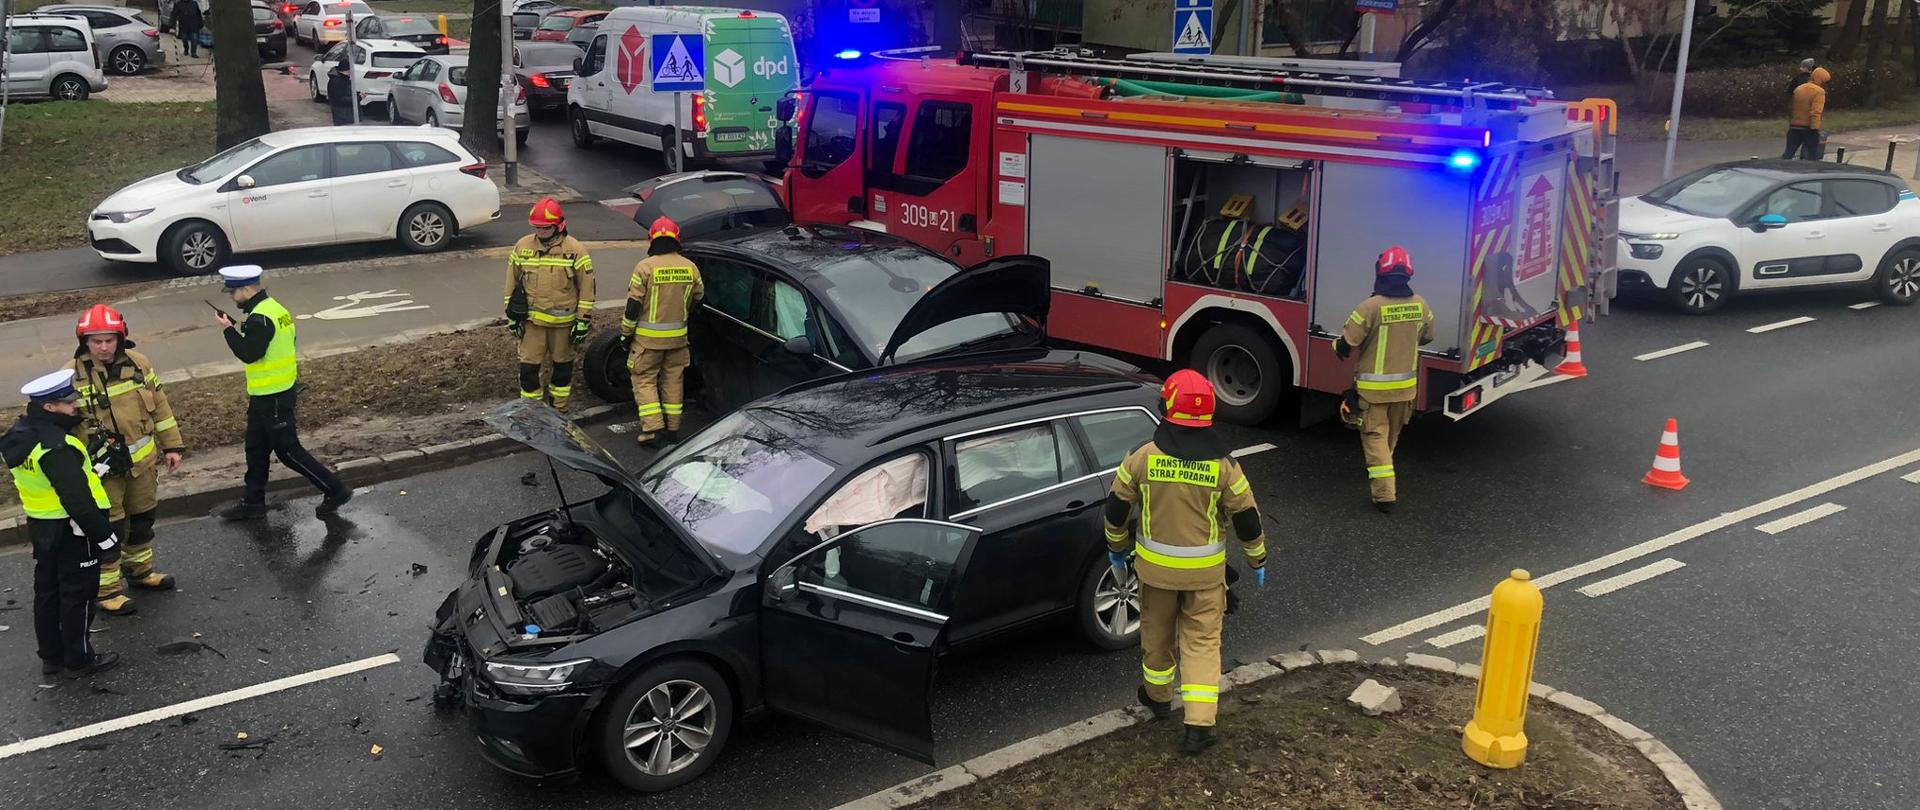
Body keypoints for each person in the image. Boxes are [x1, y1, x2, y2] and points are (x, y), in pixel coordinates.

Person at [1102, 370, 1267, 755]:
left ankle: (1158, 700)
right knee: (1203, 645)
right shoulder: (1225, 466)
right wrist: (1258, 558)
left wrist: (1116, 547)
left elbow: (1115, 510)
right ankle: (1199, 725)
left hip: (1155, 574)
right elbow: (1247, 518)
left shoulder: (1142, 457)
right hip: (1206, 579)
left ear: (1166, 408)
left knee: (1156, 637)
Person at [1, 370, 123, 678]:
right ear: (50, 407)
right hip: (74, 529)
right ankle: (80, 660)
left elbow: (50, 482)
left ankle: (51, 656)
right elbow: (77, 499)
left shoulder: (21, 435)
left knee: (48, 592)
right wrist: (105, 539)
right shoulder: (57, 446)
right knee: (78, 595)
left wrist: (88, 470)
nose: (75, 406)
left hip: (42, 526)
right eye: (68, 403)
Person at [66, 305, 184, 617]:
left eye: (108, 340)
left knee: (143, 521)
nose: (103, 347)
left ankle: (140, 573)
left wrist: (173, 446)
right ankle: (106, 591)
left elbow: (159, 407)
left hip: (142, 467)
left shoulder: (140, 364)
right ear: (84, 342)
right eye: (95, 341)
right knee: (109, 529)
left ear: (120, 338)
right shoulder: (70, 379)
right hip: (102, 474)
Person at [210, 265, 351, 521]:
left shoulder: (259, 318)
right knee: (255, 448)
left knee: (288, 451)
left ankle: (335, 489)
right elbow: (271, 341)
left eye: (233, 292)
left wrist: (228, 330)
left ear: (247, 289)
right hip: (269, 393)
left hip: (273, 396)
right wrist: (238, 326)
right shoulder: (275, 309)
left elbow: (249, 353)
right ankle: (253, 502)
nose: (232, 296)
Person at [1335, 246, 1435, 513]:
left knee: (1374, 436)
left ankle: (1384, 495)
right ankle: (1381, 474)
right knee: (1391, 435)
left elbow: (1347, 344)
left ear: (1380, 272)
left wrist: (1337, 348)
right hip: (1406, 389)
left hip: (1373, 391)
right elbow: (1428, 336)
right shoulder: (1421, 305)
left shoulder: (1370, 307)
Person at [619, 217, 704, 447]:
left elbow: (633, 306)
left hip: (647, 342)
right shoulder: (690, 267)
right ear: (677, 239)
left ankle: (652, 430)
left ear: (652, 240)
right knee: (673, 381)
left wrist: (626, 334)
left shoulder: (645, 267)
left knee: (644, 381)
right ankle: (673, 429)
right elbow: (698, 298)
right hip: (678, 340)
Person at [505, 198, 595, 412]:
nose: (541, 232)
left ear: (559, 225)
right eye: (537, 228)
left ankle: (560, 409)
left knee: (562, 370)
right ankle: (532, 411)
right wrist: (511, 317)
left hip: (563, 325)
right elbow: (511, 282)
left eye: (545, 228)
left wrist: (582, 321)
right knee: (528, 369)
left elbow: (587, 288)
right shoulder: (523, 246)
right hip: (532, 324)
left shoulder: (575, 250)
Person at [1784, 67, 1830, 161]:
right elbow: (1816, 112)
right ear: (1821, 80)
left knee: (1788, 154)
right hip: (1809, 128)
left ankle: (1780, 171)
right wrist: (1815, 128)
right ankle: (1811, 173)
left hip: (1794, 126)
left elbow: (1792, 107)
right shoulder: (1819, 92)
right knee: (1812, 156)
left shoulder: (1798, 89)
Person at [328, 54, 356, 126]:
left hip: (346, 115)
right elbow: (340, 99)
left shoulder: (343, 79)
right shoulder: (337, 81)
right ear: (347, 70)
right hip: (342, 117)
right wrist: (356, 98)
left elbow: (347, 93)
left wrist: (358, 95)